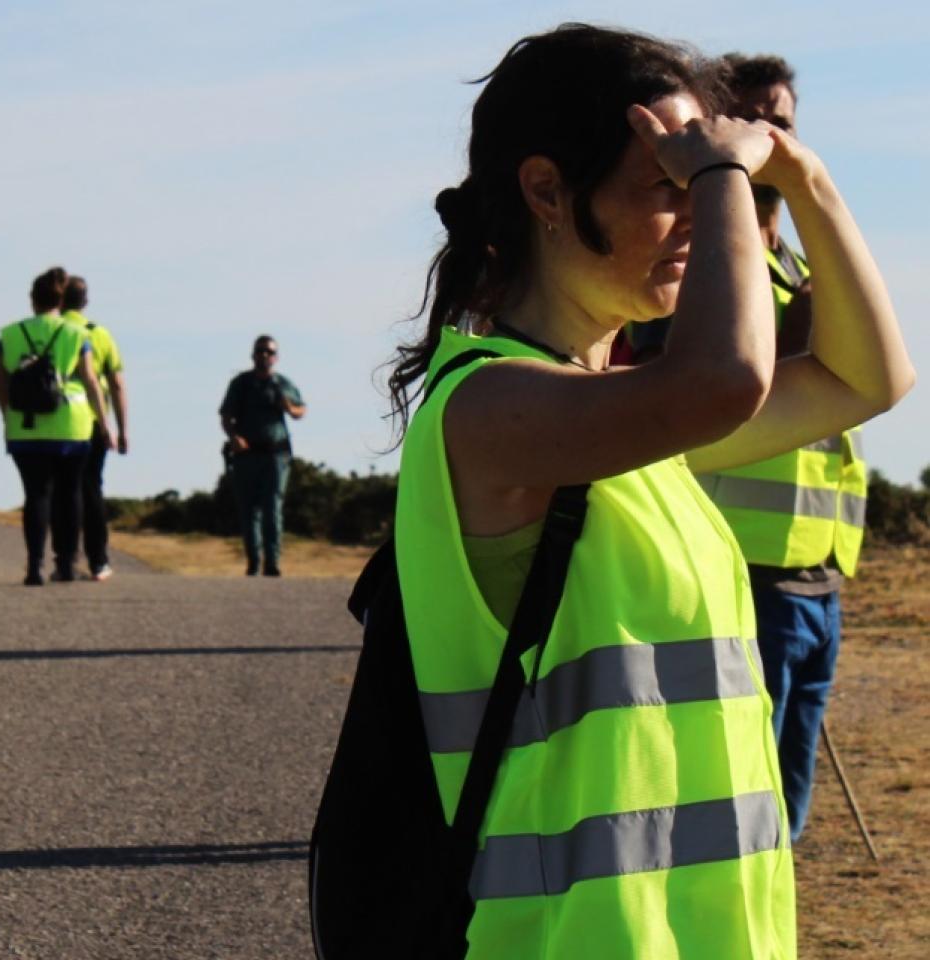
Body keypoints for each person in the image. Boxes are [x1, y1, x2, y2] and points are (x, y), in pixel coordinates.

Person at [382, 24, 910, 955]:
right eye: (669, 185)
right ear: (547, 190)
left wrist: (803, 177)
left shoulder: (629, 426)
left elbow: (869, 378)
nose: (706, 219)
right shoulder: (489, 409)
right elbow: (722, 381)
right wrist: (728, 179)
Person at [686, 53, 869, 843]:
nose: (768, 136)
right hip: (746, 572)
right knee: (737, 794)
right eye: (751, 119)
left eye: (782, 121)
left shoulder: (797, 266)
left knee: (787, 797)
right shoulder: (703, 272)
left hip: (820, 574)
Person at [0, 268, 113, 585]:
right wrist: (104, 424)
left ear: (32, 299)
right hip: (71, 424)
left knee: (36, 495)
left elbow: (1, 385)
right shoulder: (78, 335)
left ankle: (34, 564)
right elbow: (91, 382)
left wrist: (7, 419)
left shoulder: (9, 334)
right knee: (70, 492)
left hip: (26, 426)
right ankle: (65, 562)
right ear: (61, 302)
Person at [219, 335, 305, 576]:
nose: (264, 356)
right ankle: (254, 562)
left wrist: (290, 408)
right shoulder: (241, 384)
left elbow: (301, 410)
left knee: (272, 508)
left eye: (269, 352)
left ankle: (272, 563)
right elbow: (226, 416)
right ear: (253, 354)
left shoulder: (283, 384)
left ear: (275, 357)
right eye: (260, 351)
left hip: (276, 455)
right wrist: (233, 436)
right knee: (249, 510)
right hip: (247, 455)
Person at [62, 276, 129, 581]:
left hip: (59, 422)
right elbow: (115, 383)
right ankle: (98, 560)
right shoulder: (99, 334)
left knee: (63, 493)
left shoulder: (55, 330)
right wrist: (120, 427)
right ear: (85, 302)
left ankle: (65, 559)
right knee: (91, 490)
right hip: (93, 421)